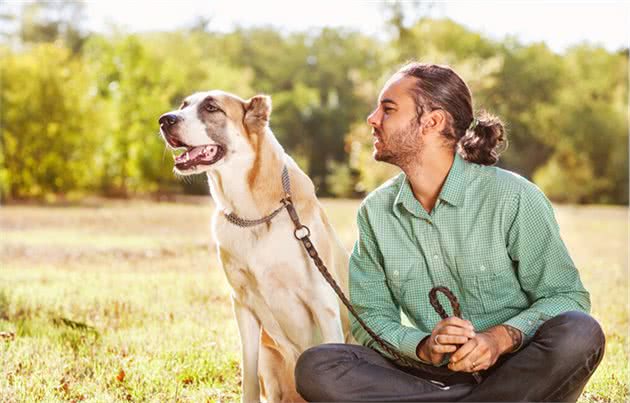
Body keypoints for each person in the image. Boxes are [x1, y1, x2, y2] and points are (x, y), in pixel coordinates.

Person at [294, 62, 605, 402]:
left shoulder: (513, 197)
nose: (372, 119)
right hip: (431, 376)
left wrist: (499, 339)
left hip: (519, 366)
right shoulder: (376, 212)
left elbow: (566, 297)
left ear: (433, 121)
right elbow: (371, 320)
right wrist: (425, 347)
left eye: (388, 109)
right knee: (319, 366)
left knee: (580, 332)